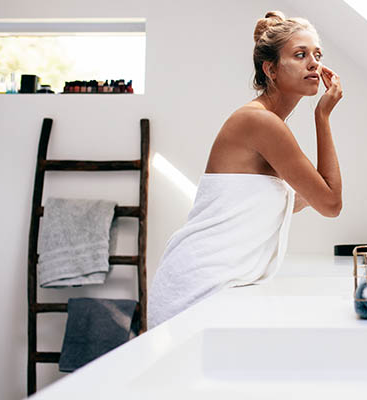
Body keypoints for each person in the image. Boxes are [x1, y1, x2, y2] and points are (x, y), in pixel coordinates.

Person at [147, 11, 343, 328]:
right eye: (300, 54)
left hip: (217, 288)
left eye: (317, 55)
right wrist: (323, 117)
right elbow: (331, 203)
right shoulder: (260, 121)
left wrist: (310, 190)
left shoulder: (267, 123)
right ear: (271, 69)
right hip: (195, 288)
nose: (314, 64)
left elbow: (287, 199)